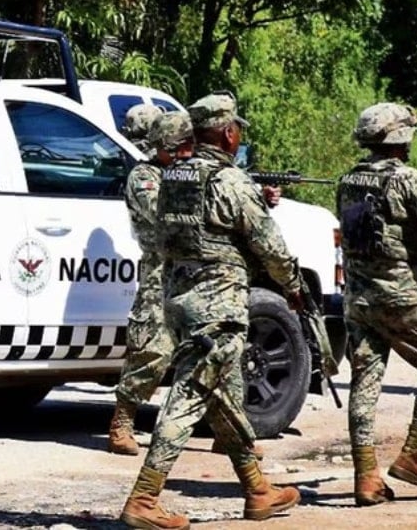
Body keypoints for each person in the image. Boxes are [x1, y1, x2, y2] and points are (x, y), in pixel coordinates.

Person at [120, 92, 303, 529]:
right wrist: (293, 286)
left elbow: (161, 240)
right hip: (217, 306)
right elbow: (271, 247)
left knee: (221, 396)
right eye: (236, 128)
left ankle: (258, 491)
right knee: (188, 395)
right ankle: (143, 500)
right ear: (227, 132)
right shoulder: (230, 181)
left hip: (178, 299)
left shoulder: (173, 177)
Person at [336, 102, 417, 507]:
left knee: (364, 381)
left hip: (359, 300)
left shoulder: (348, 179)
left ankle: (366, 476)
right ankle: (412, 455)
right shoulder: (409, 179)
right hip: (404, 298)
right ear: (400, 138)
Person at [108, 109, 192, 455]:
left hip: (192, 271)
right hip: (161, 272)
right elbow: (164, 217)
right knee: (151, 351)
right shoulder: (144, 176)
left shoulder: (185, 173)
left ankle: (230, 434)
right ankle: (121, 423)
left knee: (215, 352)